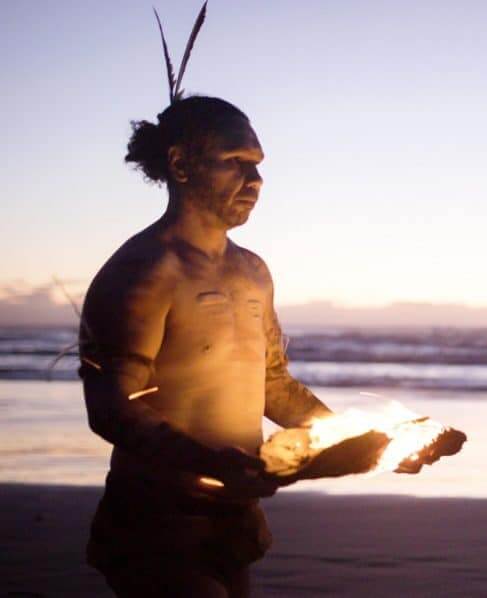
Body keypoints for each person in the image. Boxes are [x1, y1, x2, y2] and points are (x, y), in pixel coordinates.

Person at [79, 95, 383, 597]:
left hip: (235, 516)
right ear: (180, 164)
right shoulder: (144, 271)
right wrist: (210, 462)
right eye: (236, 162)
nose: (256, 181)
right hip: (156, 518)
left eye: (258, 165)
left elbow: (273, 384)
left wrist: (357, 441)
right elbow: (111, 408)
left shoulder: (253, 272)